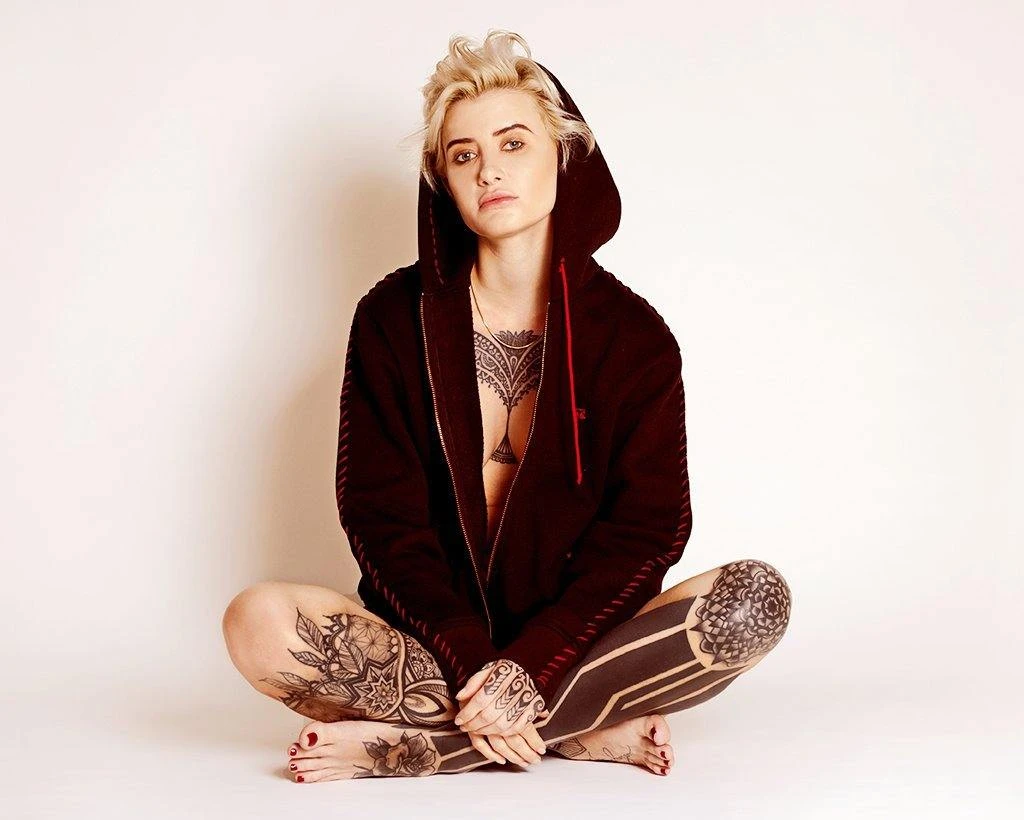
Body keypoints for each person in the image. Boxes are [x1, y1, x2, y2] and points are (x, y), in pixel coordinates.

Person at [222, 29, 792, 783]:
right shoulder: (391, 319)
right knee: (256, 623)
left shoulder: (636, 337)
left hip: (580, 641)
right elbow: (382, 522)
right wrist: (472, 657)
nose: (489, 168)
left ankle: (415, 746)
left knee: (754, 601)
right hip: (431, 646)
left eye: (514, 143)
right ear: (444, 183)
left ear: (564, 155)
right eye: (463, 155)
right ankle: (580, 728)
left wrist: (537, 662)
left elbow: (647, 532)